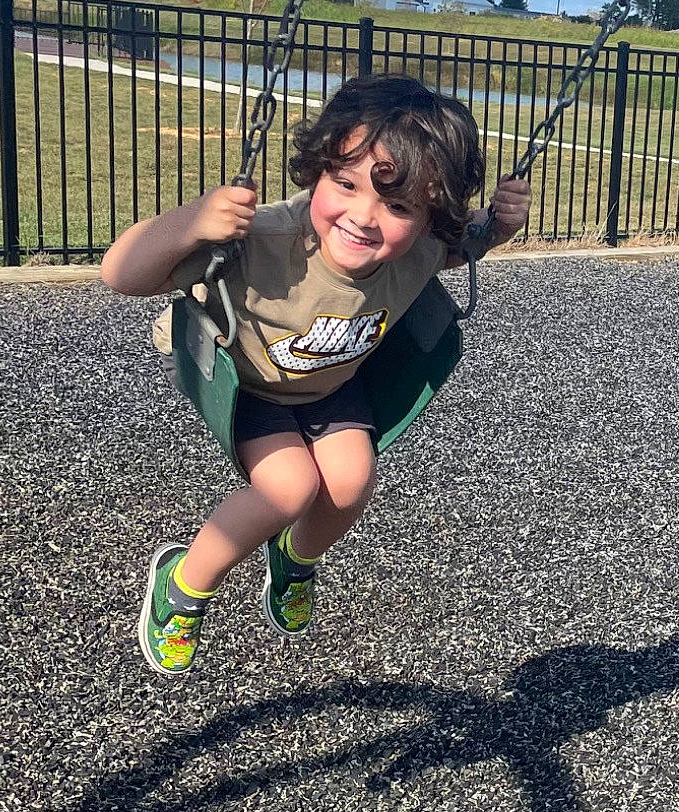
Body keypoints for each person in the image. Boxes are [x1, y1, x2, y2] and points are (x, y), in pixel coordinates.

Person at [101, 73, 531, 677]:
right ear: (318, 168)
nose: (364, 217)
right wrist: (194, 221)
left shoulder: (422, 248)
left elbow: (464, 247)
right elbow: (120, 274)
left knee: (352, 483)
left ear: (431, 213)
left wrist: (501, 227)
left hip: (332, 382)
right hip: (253, 383)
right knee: (289, 488)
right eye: (346, 183)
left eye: (399, 204)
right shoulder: (268, 240)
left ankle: (294, 558)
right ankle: (184, 583)